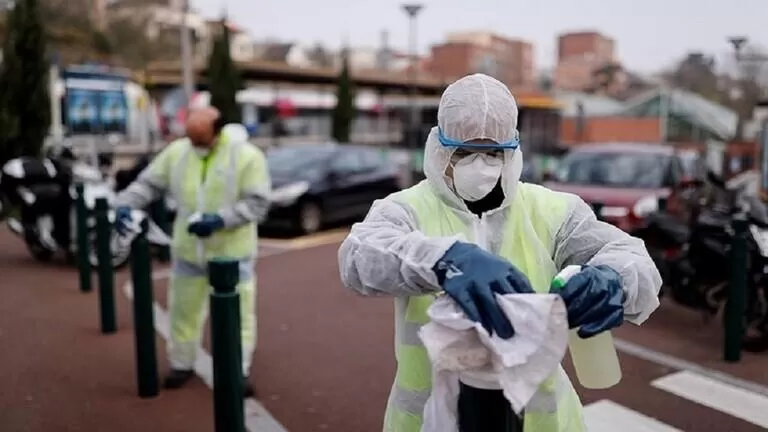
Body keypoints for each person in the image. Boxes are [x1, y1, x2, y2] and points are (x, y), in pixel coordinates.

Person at [337, 73, 662, 431]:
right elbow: (358, 256)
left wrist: (614, 278)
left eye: (493, 153)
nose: (480, 166)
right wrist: (442, 258)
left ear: (513, 149)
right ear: (440, 147)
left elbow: (627, 254)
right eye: (464, 152)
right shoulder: (408, 209)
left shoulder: (551, 211)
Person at [114, 107, 271, 396]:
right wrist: (123, 204)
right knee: (182, 313)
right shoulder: (177, 153)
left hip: (231, 256)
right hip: (188, 252)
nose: (196, 145)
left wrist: (220, 220)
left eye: (201, 139)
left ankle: (237, 371)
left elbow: (258, 203)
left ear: (217, 130)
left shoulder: (247, 156)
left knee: (237, 319)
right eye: (191, 139)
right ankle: (181, 364)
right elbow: (148, 184)